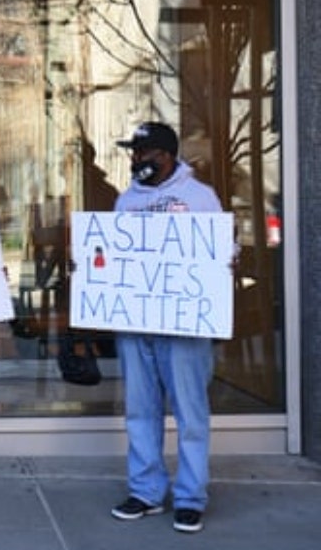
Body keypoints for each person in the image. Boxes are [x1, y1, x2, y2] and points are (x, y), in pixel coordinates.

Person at [108, 121, 221, 534]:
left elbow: (224, 251)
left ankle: (190, 497)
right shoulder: (126, 202)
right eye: (133, 154)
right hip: (137, 324)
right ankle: (146, 491)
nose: (136, 161)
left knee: (190, 412)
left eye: (144, 154)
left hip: (184, 326)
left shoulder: (199, 197)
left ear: (167, 155)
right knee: (140, 409)